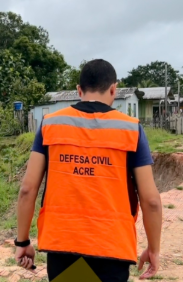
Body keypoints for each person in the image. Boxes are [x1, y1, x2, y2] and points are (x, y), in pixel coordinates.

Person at [14, 59, 162, 282]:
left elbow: (27, 189)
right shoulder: (131, 129)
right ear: (114, 88)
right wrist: (153, 249)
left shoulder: (50, 124)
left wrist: (23, 241)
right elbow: (151, 201)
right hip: (112, 248)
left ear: (79, 90)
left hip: (62, 245)